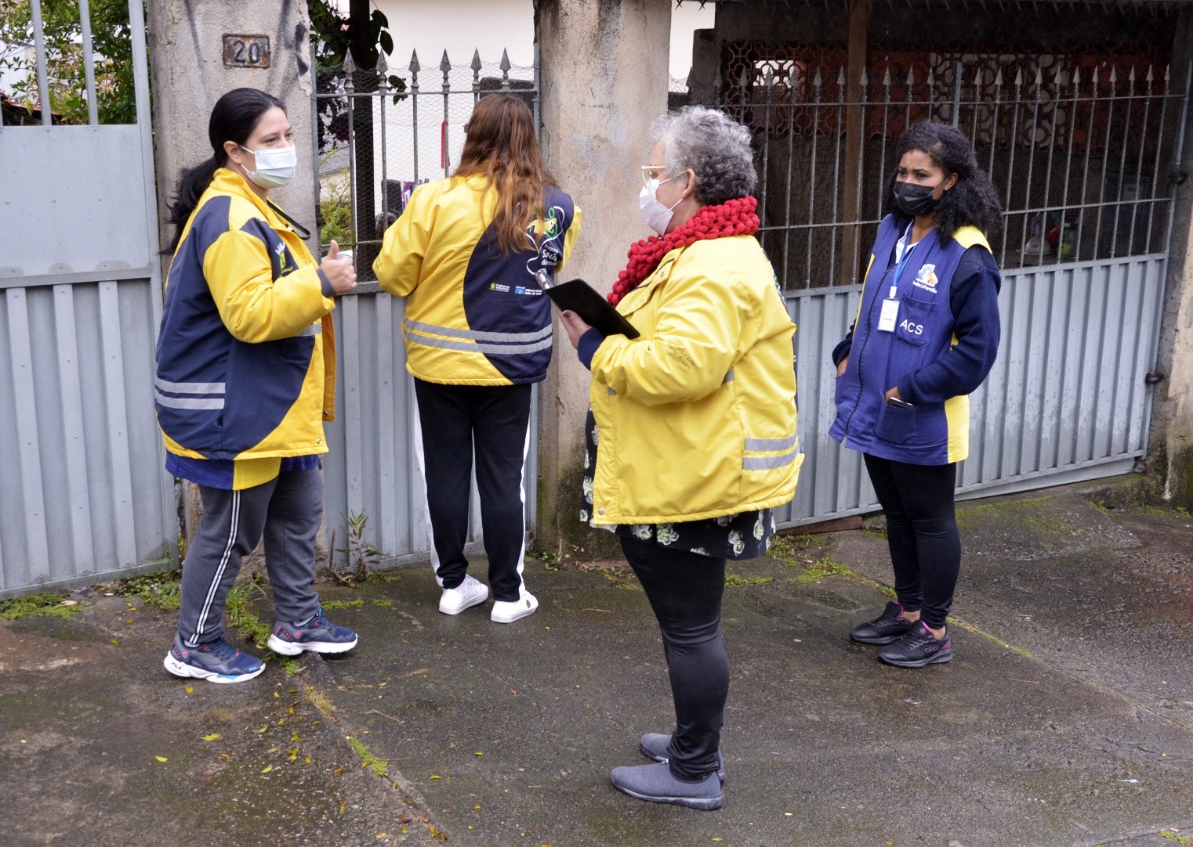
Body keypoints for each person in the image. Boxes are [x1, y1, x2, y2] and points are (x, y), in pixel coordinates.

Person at [558, 106, 803, 810]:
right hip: (690, 469)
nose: (649, 184)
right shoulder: (705, 252)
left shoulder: (714, 262)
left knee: (691, 628)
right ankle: (695, 743)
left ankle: (695, 769)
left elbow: (682, 366)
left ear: (688, 180)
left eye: (655, 171)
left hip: (699, 481)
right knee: (689, 625)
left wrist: (595, 347)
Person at [155, 87, 359, 684]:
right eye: (272, 139)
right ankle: (194, 644)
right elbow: (248, 314)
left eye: (289, 135)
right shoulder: (230, 215)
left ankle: (297, 621)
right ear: (234, 150)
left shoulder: (255, 207)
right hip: (237, 411)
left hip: (274, 407)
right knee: (230, 532)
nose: (286, 147)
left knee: (298, 513)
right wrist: (321, 283)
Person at [374, 94, 581, 624]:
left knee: (444, 475)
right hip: (514, 366)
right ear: (530, 139)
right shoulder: (557, 206)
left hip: (439, 365)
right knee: (504, 479)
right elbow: (549, 267)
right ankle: (508, 595)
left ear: (473, 136)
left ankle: (453, 586)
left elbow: (392, 275)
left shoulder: (433, 200)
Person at [830, 121, 1003, 669]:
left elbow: (977, 352)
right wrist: (846, 350)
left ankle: (935, 629)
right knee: (897, 515)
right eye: (903, 172)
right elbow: (872, 304)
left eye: (921, 175)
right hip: (873, 404)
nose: (907, 182)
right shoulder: (892, 230)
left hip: (922, 414)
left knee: (930, 520)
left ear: (950, 180)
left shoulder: (968, 255)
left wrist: (914, 389)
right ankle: (907, 611)